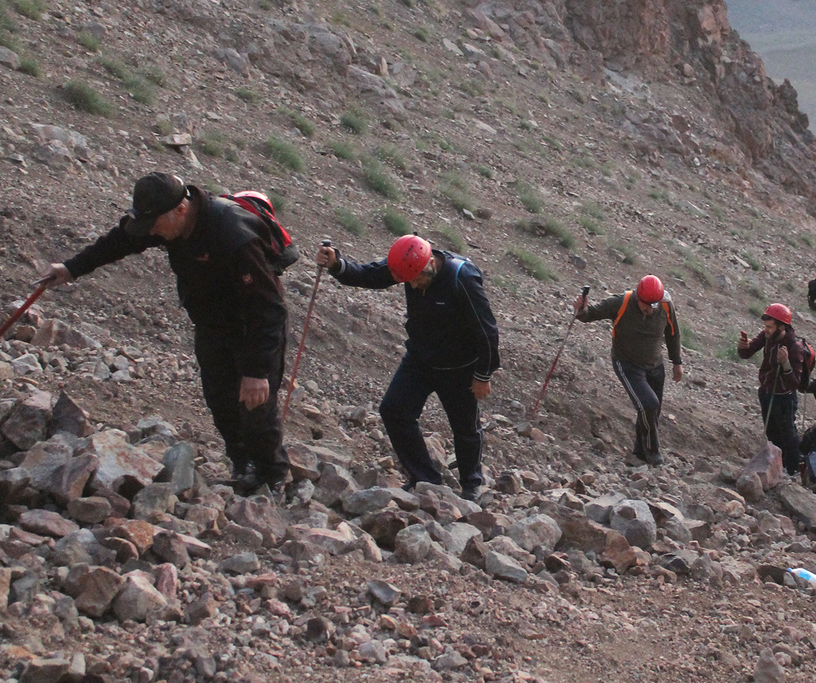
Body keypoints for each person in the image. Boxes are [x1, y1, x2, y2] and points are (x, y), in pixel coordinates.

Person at [38, 172, 292, 492]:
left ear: (181, 210)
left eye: (155, 225)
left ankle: (271, 477)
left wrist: (257, 371)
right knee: (220, 398)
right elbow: (121, 241)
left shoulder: (233, 236)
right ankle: (243, 466)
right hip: (212, 324)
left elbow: (268, 309)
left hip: (252, 326)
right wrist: (72, 268)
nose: (151, 232)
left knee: (256, 403)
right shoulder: (165, 219)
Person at [317, 234, 499, 501]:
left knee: (464, 427)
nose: (412, 286)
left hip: (459, 367)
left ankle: (471, 485)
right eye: (407, 282)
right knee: (394, 410)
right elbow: (371, 275)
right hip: (420, 359)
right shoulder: (407, 264)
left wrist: (483, 374)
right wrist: (337, 265)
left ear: (431, 266)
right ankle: (425, 479)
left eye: (416, 280)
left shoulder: (462, 278)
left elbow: (487, 331)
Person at [573, 275, 682, 466]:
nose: (649, 309)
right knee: (648, 404)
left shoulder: (665, 305)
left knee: (650, 412)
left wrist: (676, 362)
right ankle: (653, 453)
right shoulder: (621, 302)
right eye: (646, 305)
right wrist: (581, 310)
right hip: (628, 365)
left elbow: (672, 333)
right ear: (638, 298)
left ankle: (639, 453)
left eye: (653, 305)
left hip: (656, 366)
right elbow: (590, 314)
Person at [736, 303, 815, 475]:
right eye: (765, 326)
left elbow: (795, 381)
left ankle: (792, 469)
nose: (765, 330)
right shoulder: (767, 336)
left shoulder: (794, 348)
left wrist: (785, 363)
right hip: (767, 392)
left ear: (781, 327)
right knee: (772, 432)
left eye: (769, 327)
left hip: (784, 398)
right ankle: (776, 467)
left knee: (788, 436)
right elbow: (747, 353)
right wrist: (743, 347)